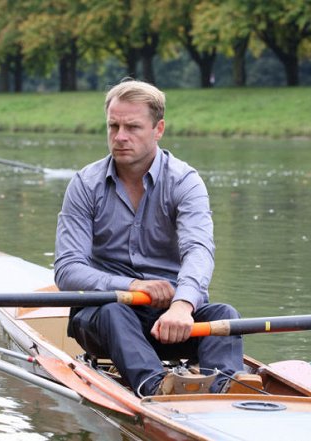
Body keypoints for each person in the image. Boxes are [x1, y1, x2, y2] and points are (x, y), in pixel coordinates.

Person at [54, 79, 244, 397]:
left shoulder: (185, 182)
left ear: (158, 129)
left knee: (225, 314)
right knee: (114, 310)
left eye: (132, 127)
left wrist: (183, 305)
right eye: (113, 126)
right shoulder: (84, 185)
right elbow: (67, 271)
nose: (120, 137)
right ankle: (154, 390)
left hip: (172, 320)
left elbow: (198, 250)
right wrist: (133, 287)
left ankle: (226, 389)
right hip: (105, 319)